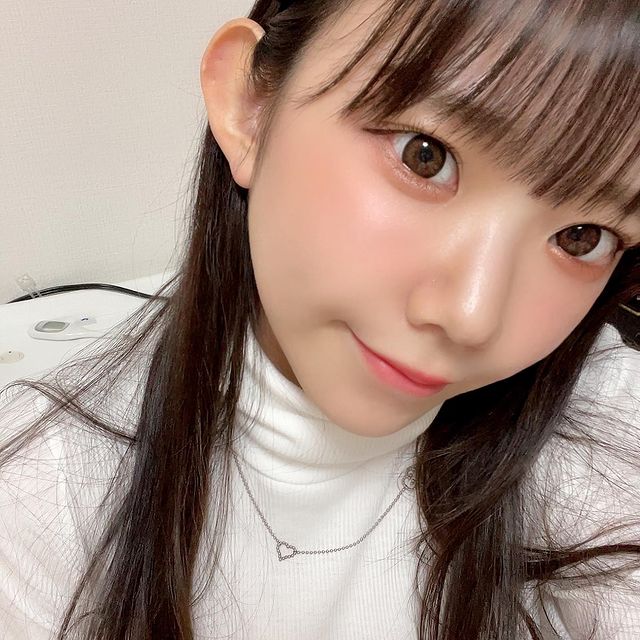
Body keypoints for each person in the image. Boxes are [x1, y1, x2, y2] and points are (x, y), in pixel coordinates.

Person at [1, 0, 639, 638]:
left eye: (582, 237)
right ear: (249, 105)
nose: (471, 317)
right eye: (425, 156)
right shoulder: (42, 491)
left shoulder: (600, 429)